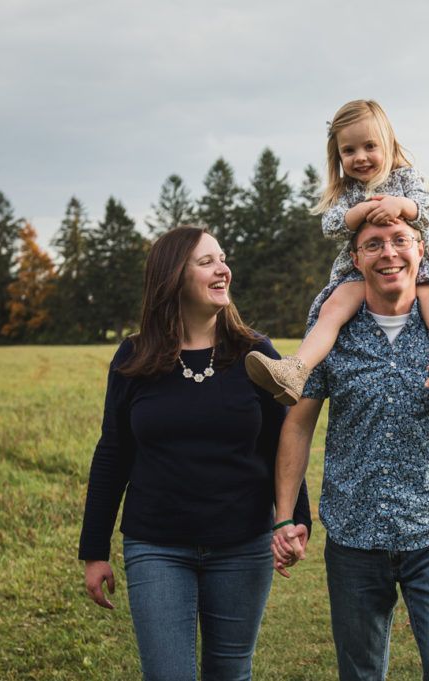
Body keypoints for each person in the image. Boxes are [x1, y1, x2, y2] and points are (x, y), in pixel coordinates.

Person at [270, 217, 429, 680]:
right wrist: (285, 516)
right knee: (361, 674)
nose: (389, 253)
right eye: (374, 245)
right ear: (355, 259)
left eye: (400, 241)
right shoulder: (334, 333)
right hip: (354, 538)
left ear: (420, 250)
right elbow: (298, 426)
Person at [78, 226, 312, 681]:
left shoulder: (255, 352)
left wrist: (293, 518)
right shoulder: (134, 357)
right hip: (157, 545)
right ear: (173, 277)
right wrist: (94, 550)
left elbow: (284, 441)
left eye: (222, 258)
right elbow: (113, 452)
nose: (223, 268)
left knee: (229, 672)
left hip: (242, 544)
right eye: (207, 262)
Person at [245, 99, 429, 431]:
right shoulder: (347, 193)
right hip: (362, 269)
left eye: (369, 146)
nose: (360, 157)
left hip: (422, 266)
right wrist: (355, 215)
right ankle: (295, 370)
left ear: (388, 145)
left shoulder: (405, 177)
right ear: (338, 157)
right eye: (349, 150)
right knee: (333, 308)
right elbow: (330, 225)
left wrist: (403, 205)